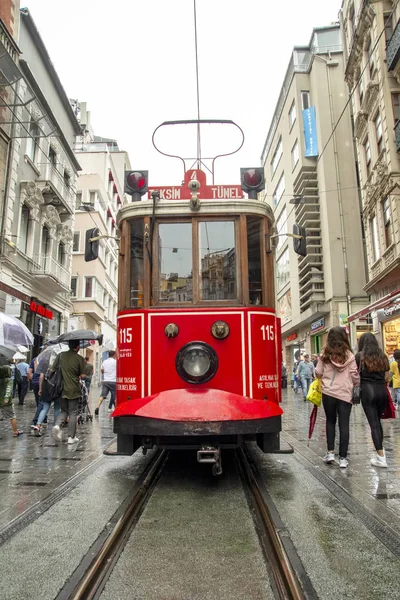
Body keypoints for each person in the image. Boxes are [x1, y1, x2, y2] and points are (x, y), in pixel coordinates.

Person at [315, 327, 359, 468]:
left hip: (328, 393)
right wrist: (356, 384)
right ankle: (343, 458)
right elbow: (354, 374)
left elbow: (318, 372)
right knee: (344, 424)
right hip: (345, 393)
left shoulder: (324, 354)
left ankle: (330, 453)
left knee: (330, 421)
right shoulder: (349, 355)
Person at [356, 332, 390, 468]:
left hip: (368, 391)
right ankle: (380, 452)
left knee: (373, 423)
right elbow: (387, 376)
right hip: (382, 390)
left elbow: (355, 374)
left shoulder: (360, 356)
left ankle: (381, 457)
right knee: (378, 422)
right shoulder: (383, 356)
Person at [51, 340, 86, 444]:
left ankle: (57, 425)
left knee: (63, 410)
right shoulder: (80, 358)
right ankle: (71, 437)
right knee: (73, 412)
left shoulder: (60, 356)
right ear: (78, 347)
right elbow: (83, 375)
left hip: (61, 388)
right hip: (74, 389)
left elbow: (52, 370)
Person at [0, 362, 23, 437]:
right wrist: (6, 398)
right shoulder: (9, 380)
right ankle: (15, 432)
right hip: (6, 402)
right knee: (12, 416)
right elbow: (9, 389)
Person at [95, 350, 116, 415]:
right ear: (114, 355)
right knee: (115, 396)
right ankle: (117, 409)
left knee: (102, 395)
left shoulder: (104, 362)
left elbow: (102, 370)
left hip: (106, 381)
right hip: (113, 381)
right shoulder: (116, 362)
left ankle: (97, 407)